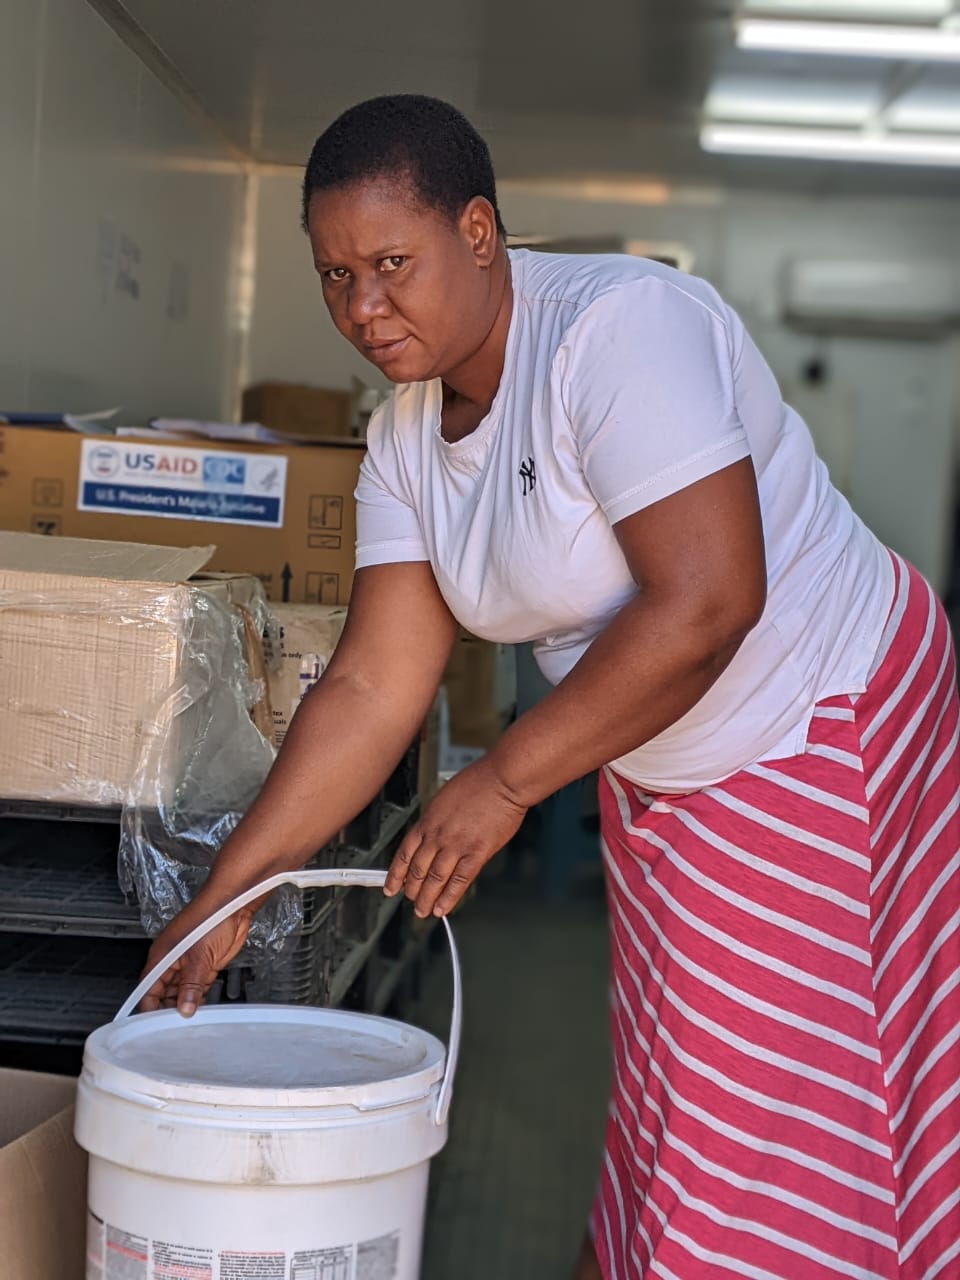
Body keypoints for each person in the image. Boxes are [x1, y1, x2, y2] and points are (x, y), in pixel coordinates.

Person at [141, 95, 960, 1280]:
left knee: (777, 1112)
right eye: (334, 277)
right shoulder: (407, 436)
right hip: (660, 748)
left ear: (479, 231)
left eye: (390, 263)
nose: (363, 309)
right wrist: (226, 898)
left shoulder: (614, 331)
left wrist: (509, 781)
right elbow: (375, 684)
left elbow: (711, 600)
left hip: (819, 713)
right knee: (677, 1080)